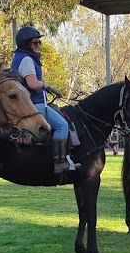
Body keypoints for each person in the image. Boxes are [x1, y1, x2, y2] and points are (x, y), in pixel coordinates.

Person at [11, 26, 80, 174]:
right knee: (62, 125)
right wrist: (48, 86)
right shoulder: (27, 59)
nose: (38, 46)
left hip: (31, 104)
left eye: (39, 43)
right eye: (35, 43)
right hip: (33, 105)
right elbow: (33, 84)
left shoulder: (22, 58)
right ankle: (59, 162)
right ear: (26, 44)